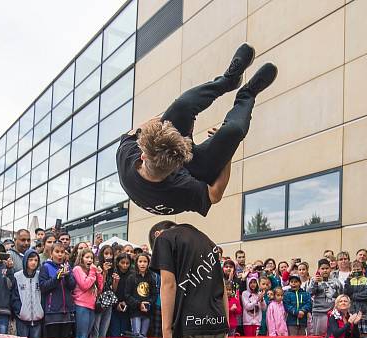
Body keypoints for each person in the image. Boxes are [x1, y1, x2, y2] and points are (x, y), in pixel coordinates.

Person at [118, 45, 276, 217]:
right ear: (176, 167)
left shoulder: (126, 157)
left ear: (143, 155)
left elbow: (135, 131)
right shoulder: (182, 190)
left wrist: (168, 120)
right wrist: (227, 153)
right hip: (196, 170)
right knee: (233, 132)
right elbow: (215, 195)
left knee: (182, 106)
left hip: (169, 158)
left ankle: (228, 80)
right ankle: (248, 93)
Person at [39, 241, 76, 338]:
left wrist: (66, 275)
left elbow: (72, 286)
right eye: (57, 252)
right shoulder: (45, 267)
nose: (60, 255)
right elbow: (43, 287)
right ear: (51, 253)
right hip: (52, 311)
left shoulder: (67, 267)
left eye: (62, 252)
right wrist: (57, 277)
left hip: (66, 311)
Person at [10, 250, 43, 338]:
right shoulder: (17, 276)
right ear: (25, 261)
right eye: (30, 260)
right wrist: (19, 312)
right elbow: (14, 297)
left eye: (35, 260)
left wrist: (41, 311)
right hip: (22, 318)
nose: (33, 262)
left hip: (37, 317)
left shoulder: (40, 276)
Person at [71, 248, 103, 338]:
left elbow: (99, 288)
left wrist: (100, 274)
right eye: (87, 257)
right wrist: (93, 272)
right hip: (81, 305)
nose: (89, 260)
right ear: (81, 258)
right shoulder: (77, 269)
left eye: (91, 258)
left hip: (91, 306)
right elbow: (84, 285)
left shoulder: (92, 271)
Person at [307, 258, 343, 338]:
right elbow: (309, 292)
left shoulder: (336, 282)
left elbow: (341, 295)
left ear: (330, 269)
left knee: (331, 336)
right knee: (319, 337)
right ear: (319, 270)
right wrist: (315, 282)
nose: (325, 271)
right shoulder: (314, 280)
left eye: (327, 268)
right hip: (319, 313)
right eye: (322, 268)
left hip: (332, 313)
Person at [125, 252, 157, 338]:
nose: (142, 264)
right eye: (140, 261)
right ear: (136, 263)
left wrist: (148, 303)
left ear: (148, 263)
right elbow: (127, 295)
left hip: (147, 312)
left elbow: (154, 294)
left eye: (145, 261)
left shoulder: (151, 277)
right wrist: (139, 304)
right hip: (135, 312)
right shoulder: (131, 277)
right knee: (136, 336)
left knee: (143, 337)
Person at [90, 244, 115, 338]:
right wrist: (104, 272)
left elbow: (113, 289)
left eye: (110, 254)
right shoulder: (97, 267)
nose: (108, 256)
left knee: (103, 335)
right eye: (106, 253)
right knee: (95, 334)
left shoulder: (113, 269)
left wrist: (115, 281)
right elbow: (99, 287)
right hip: (98, 303)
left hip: (109, 303)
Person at [107, 252, 133, 338]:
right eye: (122, 263)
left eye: (127, 263)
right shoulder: (114, 274)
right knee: (114, 335)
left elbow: (132, 292)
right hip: (114, 308)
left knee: (124, 336)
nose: (125, 265)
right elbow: (111, 291)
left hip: (127, 308)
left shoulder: (132, 275)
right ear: (118, 263)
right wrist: (116, 303)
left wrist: (126, 303)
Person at [283, 274, 311, 338]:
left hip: (302, 322)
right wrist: (296, 312)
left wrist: (303, 311)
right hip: (291, 321)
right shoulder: (287, 294)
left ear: (300, 283)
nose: (293, 284)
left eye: (296, 282)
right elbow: (287, 306)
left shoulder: (305, 294)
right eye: (292, 282)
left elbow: (308, 304)